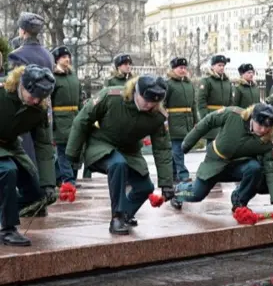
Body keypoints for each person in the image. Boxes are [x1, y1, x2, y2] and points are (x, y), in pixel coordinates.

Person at [66, 75, 174, 235]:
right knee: (117, 164)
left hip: (129, 151)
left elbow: (162, 148)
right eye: (146, 99)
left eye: (154, 102)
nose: (149, 104)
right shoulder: (111, 97)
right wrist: (72, 157)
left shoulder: (158, 115)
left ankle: (125, 214)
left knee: (145, 187)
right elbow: (82, 120)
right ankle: (116, 217)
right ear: (136, 92)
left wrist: (167, 183)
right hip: (101, 144)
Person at [171, 104, 273, 214]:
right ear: (252, 118)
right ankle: (177, 191)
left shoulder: (269, 142)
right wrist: (188, 141)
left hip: (238, 167)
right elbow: (209, 120)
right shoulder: (233, 115)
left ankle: (239, 202)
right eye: (260, 125)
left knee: (255, 168)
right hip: (214, 164)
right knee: (196, 194)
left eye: (267, 127)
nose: (263, 130)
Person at [0, 65, 57, 246]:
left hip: (11, 146)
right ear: (22, 85)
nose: (35, 101)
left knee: (37, 192)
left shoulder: (39, 108)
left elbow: (43, 144)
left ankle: (5, 210)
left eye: (40, 98)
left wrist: (48, 183)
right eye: (32, 96)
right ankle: (8, 229)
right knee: (8, 171)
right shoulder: (3, 94)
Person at [7, 12, 55, 202]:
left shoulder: (16, 55)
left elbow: (13, 85)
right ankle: (44, 192)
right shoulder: (49, 55)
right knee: (43, 151)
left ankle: (30, 196)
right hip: (44, 108)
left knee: (25, 153)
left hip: (24, 108)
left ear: (23, 31)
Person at [50, 46, 82, 187]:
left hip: (74, 117)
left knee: (73, 150)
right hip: (60, 118)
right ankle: (69, 181)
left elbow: (79, 98)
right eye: (63, 57)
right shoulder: (52, 77)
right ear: (57, 59)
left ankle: (57, 176)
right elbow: (48, 100)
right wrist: (51, 121)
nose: (67, 59)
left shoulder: (73, 76)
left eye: (68, 56)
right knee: (63, 151)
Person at [165, 57, 197, 183]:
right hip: (174, 120)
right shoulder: (169, 84)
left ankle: (173, 174)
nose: (183, 70)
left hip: (187, 120)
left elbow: (193, 104)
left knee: (177, 148)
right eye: (180, 68)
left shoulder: (189, 84)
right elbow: (163, 103)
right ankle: (183, 174)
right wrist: (164, 121)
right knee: (178, 148)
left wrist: (196, 120)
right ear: (174, 69)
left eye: (184, 68)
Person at [197, 54, 233, 147]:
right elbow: (201, 101)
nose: (222, 68)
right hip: (212, 116)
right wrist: (205, 117)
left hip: (225, 116)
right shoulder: (207, 81)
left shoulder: (227, 82)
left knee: (224, 146)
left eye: (223, 65)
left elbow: (230, 101)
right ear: (213, 66)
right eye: (219, 65)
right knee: (211, 146)